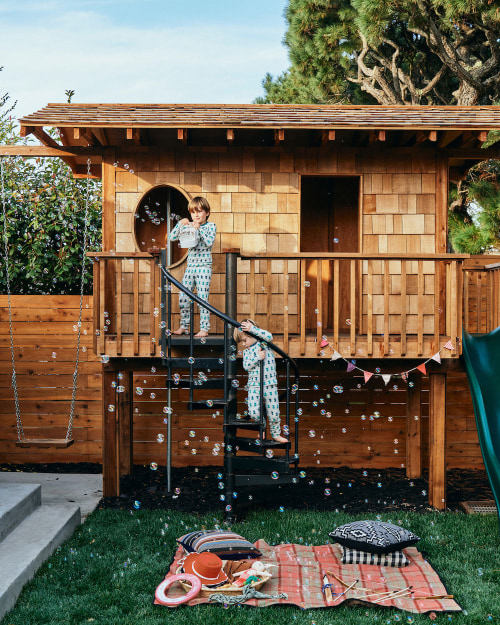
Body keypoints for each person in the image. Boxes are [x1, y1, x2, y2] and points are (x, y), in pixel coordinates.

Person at [234, 319, 288, 443]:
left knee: (274, 413)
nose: (243, 344)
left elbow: (269, 336)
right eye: (241, 341)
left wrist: (253, 329)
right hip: (254, 386)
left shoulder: (264, 343)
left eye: (244, 340)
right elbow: (246, 366)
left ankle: (275, 434)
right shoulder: (247, 352)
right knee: (253, 413)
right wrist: (258, 357)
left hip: (270, 385)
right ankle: (261, 429)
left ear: (252, 335)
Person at [169, 197, 217, 338]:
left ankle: (204, 329)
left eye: (200, 211)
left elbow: (209, 242)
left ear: (207, 213)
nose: (196, 215)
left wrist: (199, 230)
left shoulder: (211, 226)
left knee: (202, 298)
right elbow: (172, 238)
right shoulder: (188, 226)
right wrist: (179, 224)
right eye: (193, 212)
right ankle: (184, 326)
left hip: (204, 267)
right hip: (191, 267)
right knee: (183, 296)